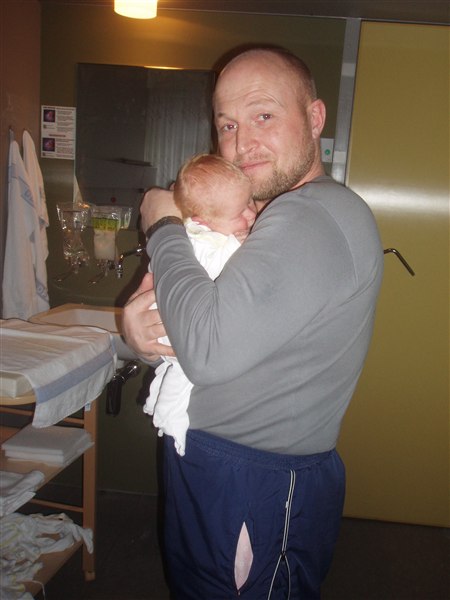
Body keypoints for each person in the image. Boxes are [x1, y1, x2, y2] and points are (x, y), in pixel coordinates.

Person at [123, 46, 384, 599]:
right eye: (228, 125)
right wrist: (142, 331)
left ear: (314, 118)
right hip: (219, 468)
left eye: (264, 115)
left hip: (256, 482)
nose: (243, 143)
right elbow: (195, 330)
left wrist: (163, 225)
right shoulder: (258, 222)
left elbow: (208, 350)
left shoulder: (313, 214)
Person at [144, 153, 256, 457]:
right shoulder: (208, 244)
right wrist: (243, 243)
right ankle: (170, 422)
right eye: (240, 213)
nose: (250, 215)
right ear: (201, 220)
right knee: (183, 376)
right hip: (179, 329)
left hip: (178, 322)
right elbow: (228, 265)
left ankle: (158, 404)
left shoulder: (197, 231)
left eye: (249, 203)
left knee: (175, 373)